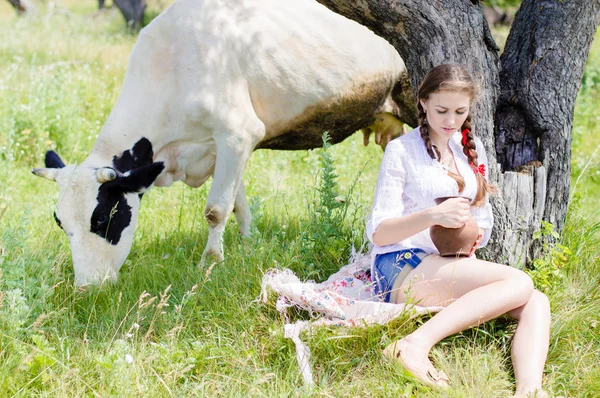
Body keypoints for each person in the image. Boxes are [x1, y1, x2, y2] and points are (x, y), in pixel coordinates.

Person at [366, 64, 551, 397]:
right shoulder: (402, 152)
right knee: (519, 281)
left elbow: (482, 218)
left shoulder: (472, 148)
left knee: (536, 301)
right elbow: (380, 233)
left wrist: (473, 235)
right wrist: (432, 215)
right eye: (441, 110)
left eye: (459, 112)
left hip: (446, 263)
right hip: (400, 264)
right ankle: (411, 345)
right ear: (422, 102)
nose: (451, 120)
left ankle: (529, 390)